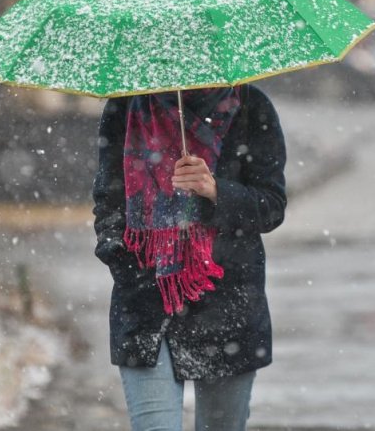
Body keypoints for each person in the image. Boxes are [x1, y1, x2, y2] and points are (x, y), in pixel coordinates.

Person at [92, 84, 287, 431]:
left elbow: (270, 207)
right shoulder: (126, 107)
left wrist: (214, 191)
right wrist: (124, 260)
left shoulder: (250, 107)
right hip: (146, 303)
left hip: (227, 303)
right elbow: (109, 201)